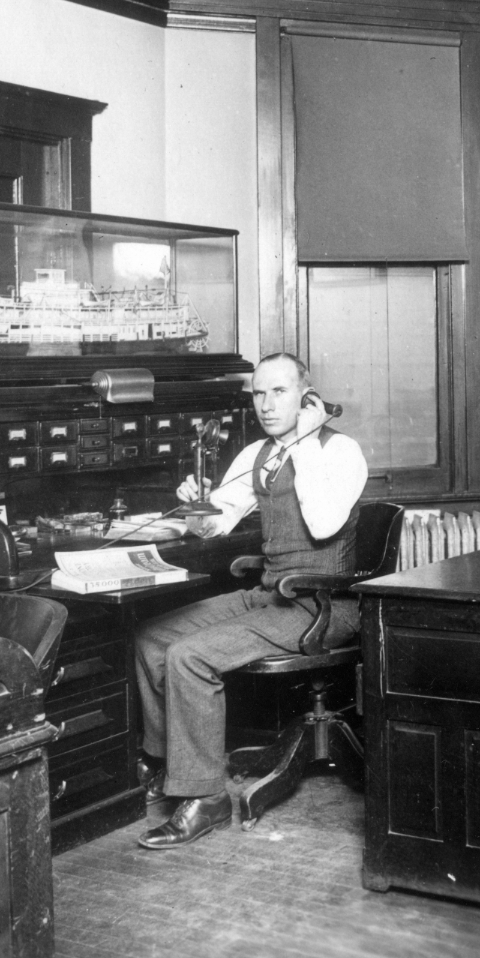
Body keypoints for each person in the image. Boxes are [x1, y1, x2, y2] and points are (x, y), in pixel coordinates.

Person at [132, 352, 369, 849]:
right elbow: (218, 522)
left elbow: (324, 523)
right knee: (153, 638)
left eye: (279, 392)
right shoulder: (256, 454)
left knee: (189, 656)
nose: (265, 404)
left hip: (324, 604)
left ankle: (206, 798)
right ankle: (169, 766)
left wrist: (304, 441)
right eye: (258, 393)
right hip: (272, 594)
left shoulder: (340, 451)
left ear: (307, 396)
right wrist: (199, 507)